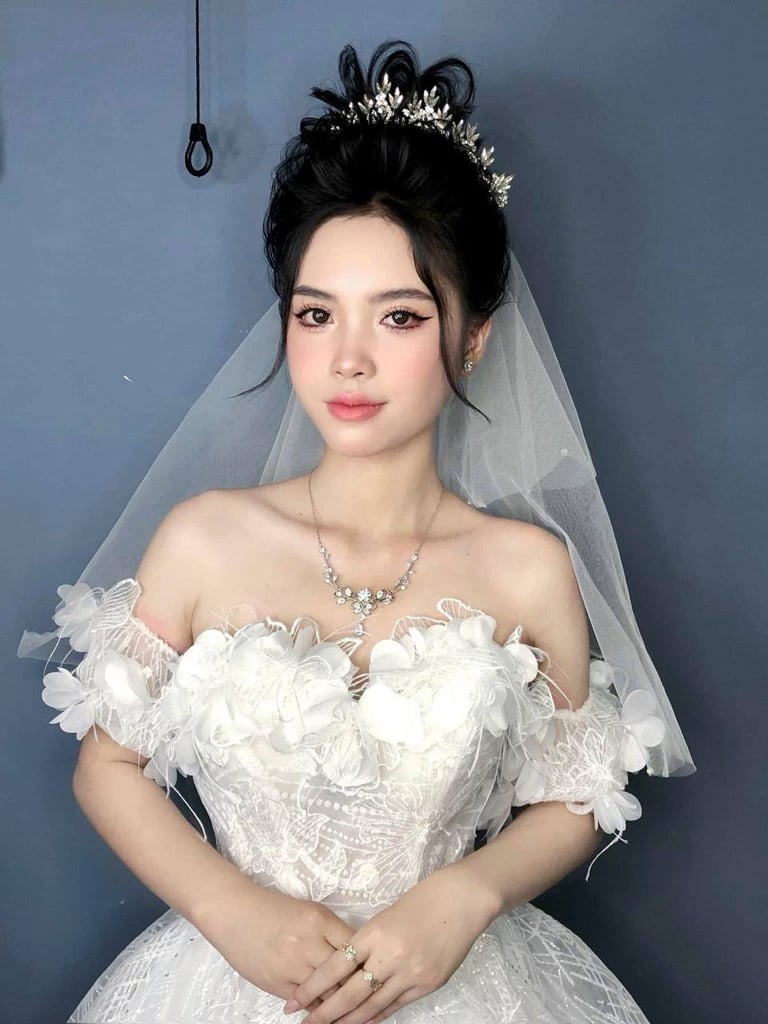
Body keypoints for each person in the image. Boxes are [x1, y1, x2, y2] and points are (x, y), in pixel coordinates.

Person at [18, 39, 694, 1024]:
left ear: (473, 338)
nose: (350, 360)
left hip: (466, 984)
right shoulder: (204, 542)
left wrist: (468, 894)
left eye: (401, 318)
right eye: (317, 313)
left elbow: (582, 794)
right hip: (226, 984)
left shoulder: (526, 567)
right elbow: (106, 764)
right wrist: (227, 906)